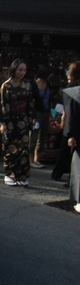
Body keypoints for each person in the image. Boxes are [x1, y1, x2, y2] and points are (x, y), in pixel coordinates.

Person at [0, 58, 36, 186]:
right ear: (14, 70)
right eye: (20, 70)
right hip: (10, 119)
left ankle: (23, 175)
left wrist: (31, 117)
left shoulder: (28, 84)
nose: (22, 73)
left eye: (24, 70)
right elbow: (3, 104)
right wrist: (2, 123)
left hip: (23, 119)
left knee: (24, 148)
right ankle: (10, 174)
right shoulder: (6, 85)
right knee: (10, 147)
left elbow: (31, 102)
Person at [51, 61, 80, 182]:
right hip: (73, 125)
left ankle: (64, 175)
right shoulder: (74, 89)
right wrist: (70, 133)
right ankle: (68, 177)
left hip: (72, 124)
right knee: (71, 152)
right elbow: (70, 111)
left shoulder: (73, 88)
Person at [29, 64, 54, 168]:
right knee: (33, 136)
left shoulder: (48, 83)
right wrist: (32, 116)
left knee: (42, 136)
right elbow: (32, 101)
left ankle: (37, 158)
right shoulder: (34, 84)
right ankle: (30, 160)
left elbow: (49, 98)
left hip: (46, 111)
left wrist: (51, 112)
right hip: (37, 112)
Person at [63, 84, 80, 213]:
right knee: (78, 168)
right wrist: (71, 135)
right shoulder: (77, 94)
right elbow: (71, 116)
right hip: (78, 135)